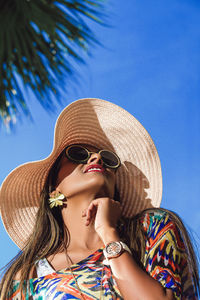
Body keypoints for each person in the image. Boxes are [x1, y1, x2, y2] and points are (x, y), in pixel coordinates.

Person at [0, 98, 199, 300]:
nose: (97, 158)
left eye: (109, 159)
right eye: (78, 154)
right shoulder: (23, 276)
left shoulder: (150, 229)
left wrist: (109, 234)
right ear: (53, 190)